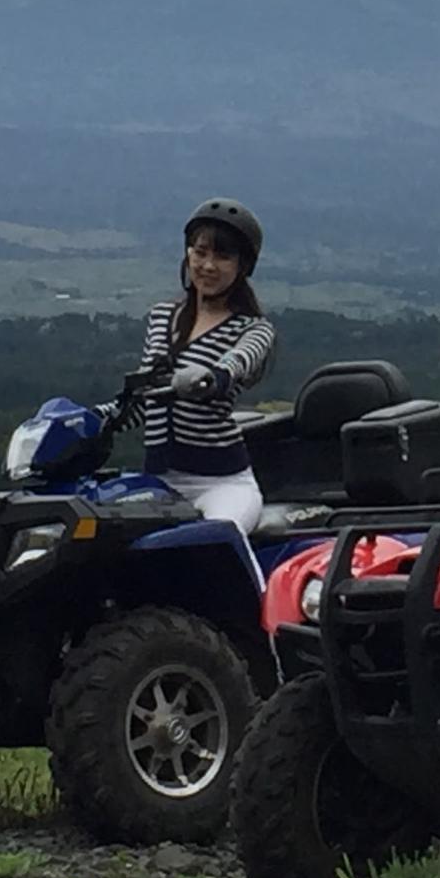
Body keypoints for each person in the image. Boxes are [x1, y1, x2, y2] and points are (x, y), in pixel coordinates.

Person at [136, 198, 278, 587]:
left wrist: (210, 377)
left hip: (222, 483)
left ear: (242, 267)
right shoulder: (163, 317)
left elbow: (237, 364)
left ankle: (263, 633)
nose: (208, 266)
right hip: (160, 480)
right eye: (200, 252)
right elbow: (147, 390)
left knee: (216, 545)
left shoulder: (252, 329)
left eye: (222, 256)